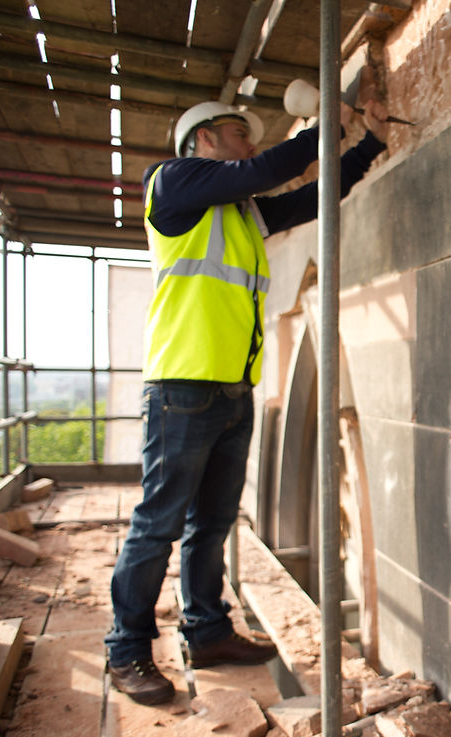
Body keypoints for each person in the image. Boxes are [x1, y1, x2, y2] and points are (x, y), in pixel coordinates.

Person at [105, 98, 389, 705]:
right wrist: (324, 128)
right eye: (240, 133)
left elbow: (310, 197)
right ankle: (126, 650)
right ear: (204, 138)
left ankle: (206, 631)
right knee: (157, 527)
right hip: (182, 387)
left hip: (232, 390)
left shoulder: (239, 213)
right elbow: (264, 173)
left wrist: (366, 147)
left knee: (211, 523)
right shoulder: (174, 183)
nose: (250, 145)